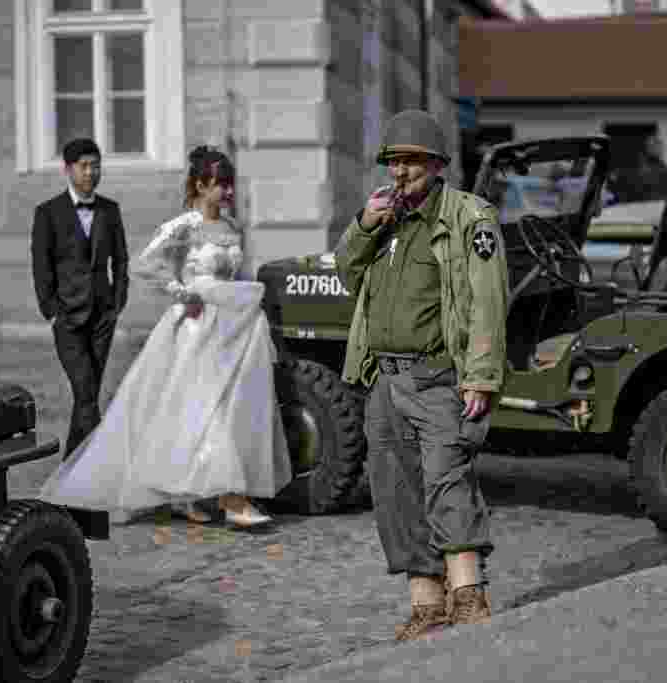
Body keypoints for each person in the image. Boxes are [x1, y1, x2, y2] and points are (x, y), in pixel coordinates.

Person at [40, 145, 292, 527]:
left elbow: (237, 276)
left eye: (229, 184)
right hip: (195, 327)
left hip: (233, 328)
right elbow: (146, 265)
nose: (227, 192)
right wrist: (180, 291)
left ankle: (185, 492)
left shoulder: (233, 228)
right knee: (207, 406)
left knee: (226, 406)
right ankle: (231, 499)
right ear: (199, 185)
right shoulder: (183, 226)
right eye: (219, 185)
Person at [336, 110, 510, 641]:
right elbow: (345, 271)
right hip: (384, 382)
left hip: (437, 378)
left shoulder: (467, 217)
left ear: (435, 164)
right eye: (392, 162)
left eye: (409, 161)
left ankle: (469, 598)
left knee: (447, 483)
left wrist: (481, 375)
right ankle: (426, 605)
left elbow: (486, 300)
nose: (398, 172)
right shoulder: (384, 219)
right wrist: (364, 225)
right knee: (395, 493)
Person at [31, 138, 129, 458]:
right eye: (84, 166)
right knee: (86, 392)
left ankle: (72, 468)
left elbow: (122, 260)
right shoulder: (48, 213)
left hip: (103, 317)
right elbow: (41, 265)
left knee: (86, 396)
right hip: (67, 320)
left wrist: (117, 304)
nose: (91, 172)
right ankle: (101, 460)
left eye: (96, 165)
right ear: (68, 169)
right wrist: (51, 311)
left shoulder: (110, 210)